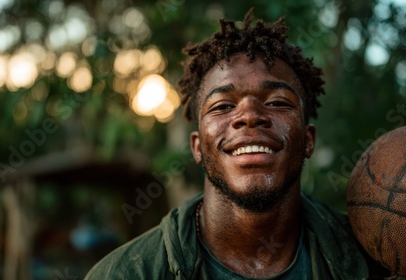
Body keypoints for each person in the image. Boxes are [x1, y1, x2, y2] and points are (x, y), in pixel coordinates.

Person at [85, 9, 390, 279]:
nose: (250, 116)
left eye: (277, 102)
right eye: (222, 106)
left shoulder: (379, 257)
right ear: (197, 147)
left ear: (308, 140)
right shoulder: (124, 272)